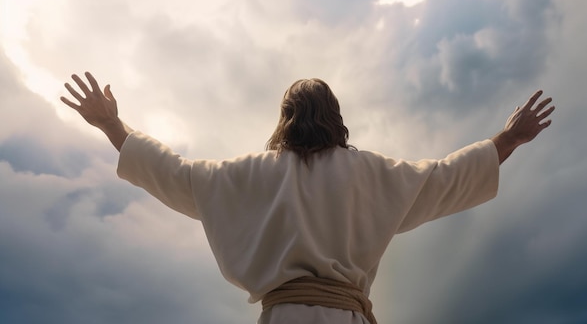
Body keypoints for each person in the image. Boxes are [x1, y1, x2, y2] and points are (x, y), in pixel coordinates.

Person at [60, 72, 554, 324]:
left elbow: (172, 173)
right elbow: (448, 177)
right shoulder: (371, 173)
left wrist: (111, 125)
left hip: (284, 318)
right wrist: (507, 138)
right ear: (335, 115)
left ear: (284, 116)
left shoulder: (249, 175)